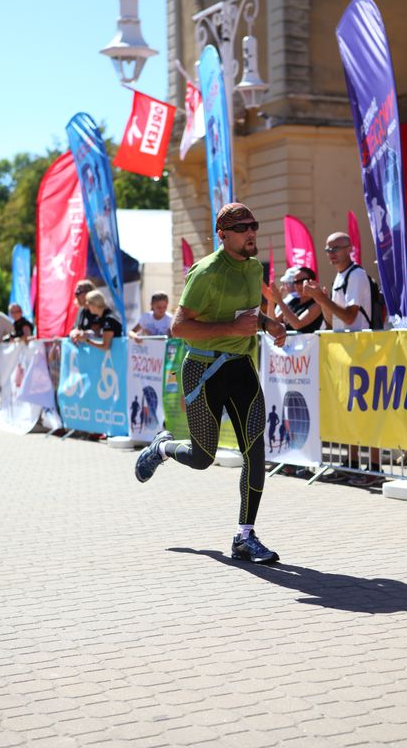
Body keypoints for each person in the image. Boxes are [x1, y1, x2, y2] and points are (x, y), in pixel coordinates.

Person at [134, 202, 286, 564]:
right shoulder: (205, 272)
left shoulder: (254, 269)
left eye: (253, 225)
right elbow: (178, 327)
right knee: (203, 458)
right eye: (242, 228)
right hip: (203, 371)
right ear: (223, 235)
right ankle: (163, 448)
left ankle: (244, 537)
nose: (251, 233)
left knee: (255, 450)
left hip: (241, 367)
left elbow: (247, 315)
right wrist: (231, 329)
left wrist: (268, 324)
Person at [305, 232, 379, 485]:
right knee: (350, 409)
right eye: (328, 249)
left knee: (367, 410)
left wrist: (322, 298)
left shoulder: (356, 275)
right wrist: (322, 300)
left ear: (350, 249)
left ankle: (375, 467)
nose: (331, 254)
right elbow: (332, 320)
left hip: (361, 350)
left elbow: (350, 316)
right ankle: (352, 463)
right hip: (347, 350)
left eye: (336, 248)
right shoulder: (340, 276)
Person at [268, 267, 324, 333]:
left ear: (312, 281)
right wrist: (271, 300)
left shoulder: (317, 303)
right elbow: (273, 323)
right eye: (296, 282)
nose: (299, 285)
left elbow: (297, 324)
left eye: (303, 281)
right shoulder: (293, 302)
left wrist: (279, 301)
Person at [69, 280, 99, 345]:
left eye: (78, 292)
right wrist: (74, 333)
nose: (76, 295)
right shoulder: (83, 311)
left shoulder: (96, 309)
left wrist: (83, 334)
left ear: (88, 292)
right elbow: (79, 329)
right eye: (75, 293)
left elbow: (96, 332)